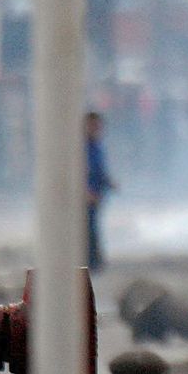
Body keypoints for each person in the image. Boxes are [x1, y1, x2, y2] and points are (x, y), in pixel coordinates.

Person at [86, 111, 115, 272]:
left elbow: (100, 170)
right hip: (87, 196)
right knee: (87, 228)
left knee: (93, 227)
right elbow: (78, 171)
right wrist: (85, 192)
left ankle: (95, 261)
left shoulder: (97, 146)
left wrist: (109, 182)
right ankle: (90, 262)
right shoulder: (82, 147)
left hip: (97, 194)